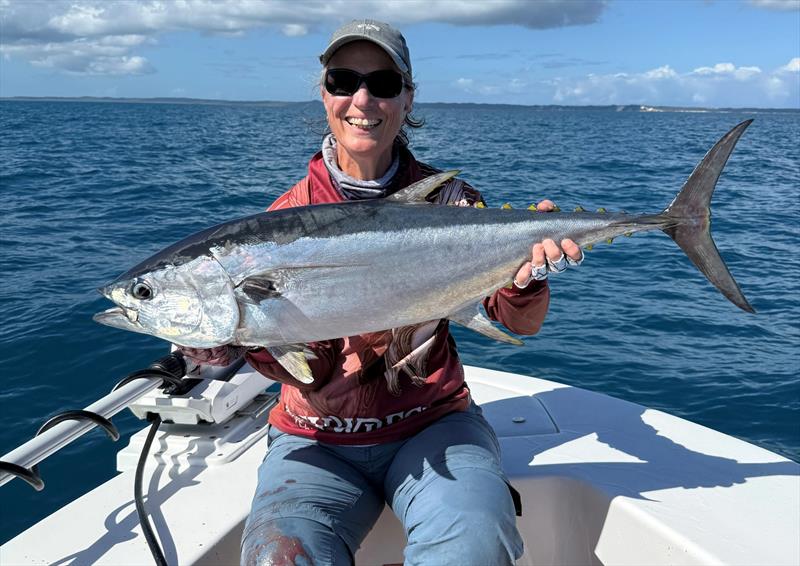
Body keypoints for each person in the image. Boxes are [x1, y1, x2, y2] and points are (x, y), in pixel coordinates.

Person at [184, 19, 583, 566]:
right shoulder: (278, 228)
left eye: (384, 83)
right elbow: (311, 370)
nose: (362, 99)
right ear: (325, 94)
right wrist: (240, 341)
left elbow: (517, 323)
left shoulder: (452, 203)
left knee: (475, 544)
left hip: (434, 423)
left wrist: (527, 278)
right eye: (344, 80)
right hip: (314, 439)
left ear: (408, 96)